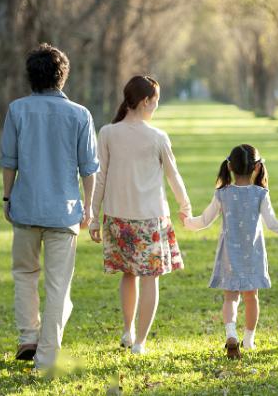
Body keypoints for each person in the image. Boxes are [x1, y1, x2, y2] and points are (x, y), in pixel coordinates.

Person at [0, 43, 99, 369]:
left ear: (31, 76)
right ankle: (46, 357)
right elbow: (89, 168)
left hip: (25, 207)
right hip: (64, 211)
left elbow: (9, 161)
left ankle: (29, 335)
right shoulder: (80, 114)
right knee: (59, 286)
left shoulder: (16, 110)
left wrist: (7, 196)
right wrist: (89, 207)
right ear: (62, 77)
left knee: (25, 274)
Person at [89, 75, 191, 355]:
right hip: (150, 220)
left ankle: (127, 329)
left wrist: (94, 216)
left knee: (128, 275)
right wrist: (185, 207)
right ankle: (140, 342)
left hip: (117, 219)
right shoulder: (157, 137)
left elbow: (100, 177)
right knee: (150, 279)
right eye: (155, 101)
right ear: (146, 101)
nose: (156, 106)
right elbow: (174, 176)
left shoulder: (108, 132)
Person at [181, 144, 278, 359]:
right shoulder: (260, 194)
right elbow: (272, 224)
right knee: (251, 297)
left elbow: (204, 221)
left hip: (229, 255)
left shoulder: (222, 194)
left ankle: (231, 333)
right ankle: (249, 339)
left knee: (230, 298)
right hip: (252, 255)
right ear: (256, 168)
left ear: (229, 166)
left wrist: (188, 222)